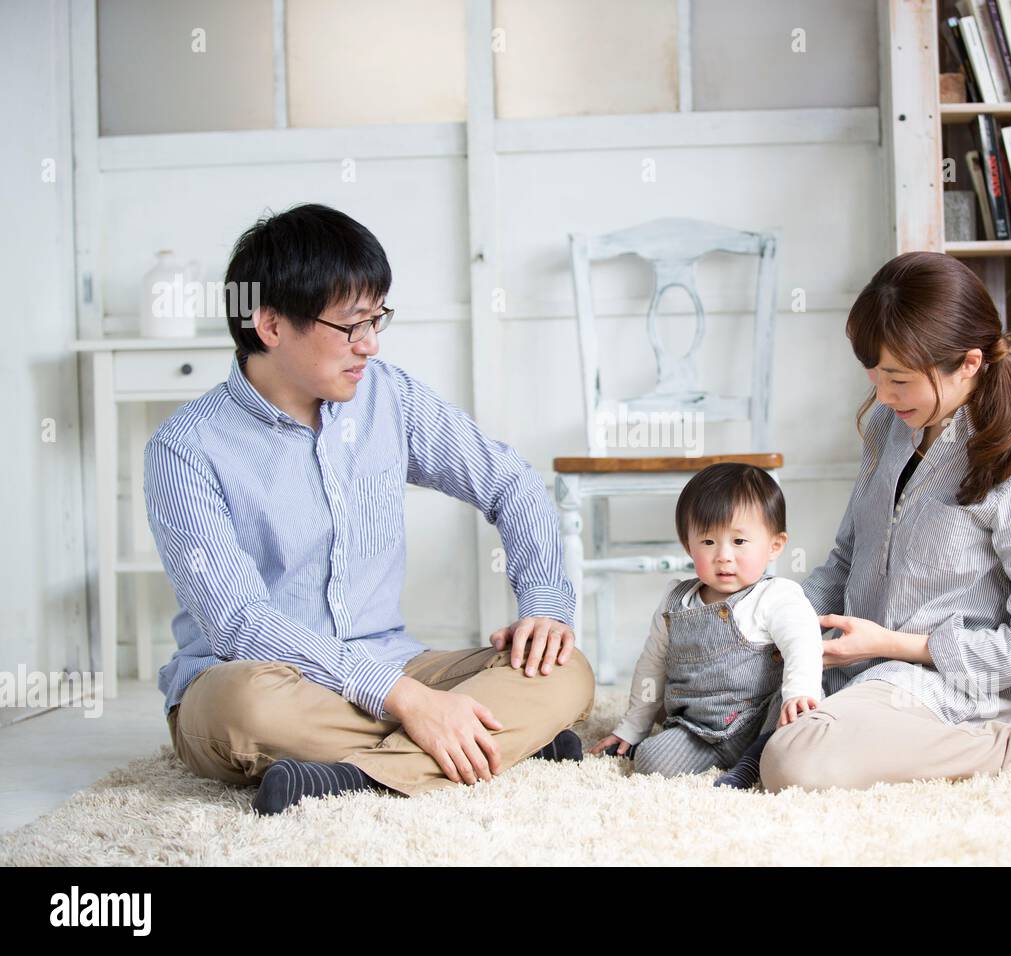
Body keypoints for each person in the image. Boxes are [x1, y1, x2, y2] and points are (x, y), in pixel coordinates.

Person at [144, 203, 594, 815]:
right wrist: (406, 700)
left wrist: (544, 607)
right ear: (270, 324)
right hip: (264, 680)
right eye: (352, 325)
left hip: (394, 660)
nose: (371, 344)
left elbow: (510, 482)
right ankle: (489, 742)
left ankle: (351, 780)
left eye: (378, 319)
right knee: (241, 711)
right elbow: (238, 624)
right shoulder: (186, 448)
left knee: (564, 671)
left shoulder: (389, 397)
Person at [760, 251, 1011, 808]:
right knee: (720, 691)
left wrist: (895, 646)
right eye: (874, 376)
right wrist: (779, 618)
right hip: (858, 661)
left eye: (898, 379)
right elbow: (847, 554)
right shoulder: (890, 425)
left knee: (794, 761)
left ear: (969, 364)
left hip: (944, 682)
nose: (882, 395)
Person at [590, 463, 823, 789]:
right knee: (650, 761)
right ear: (688, 545)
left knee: (792, 714)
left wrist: (800, 692)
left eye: (740, 541)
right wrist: (633, 727)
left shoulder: (776, 595)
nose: (724, 556)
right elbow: (651, 666)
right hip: (698, 728)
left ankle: (752, 763)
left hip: (761, 721)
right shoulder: (675, 600)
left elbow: (804, 644)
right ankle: (710, 754)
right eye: (709, 542)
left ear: (774, 545)